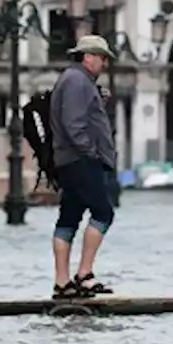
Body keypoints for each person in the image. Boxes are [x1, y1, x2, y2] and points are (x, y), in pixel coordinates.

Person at [50, 35, 119, 300]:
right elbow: (74, 123)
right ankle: (84, 274)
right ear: (87, 57)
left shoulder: (76, 80)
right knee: (103, 213)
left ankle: (62, 282)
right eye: (102, 58)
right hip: (80, 160)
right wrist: (91, 153)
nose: (104, 64)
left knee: (69, 218)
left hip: (69, 160)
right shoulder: (77, 81)